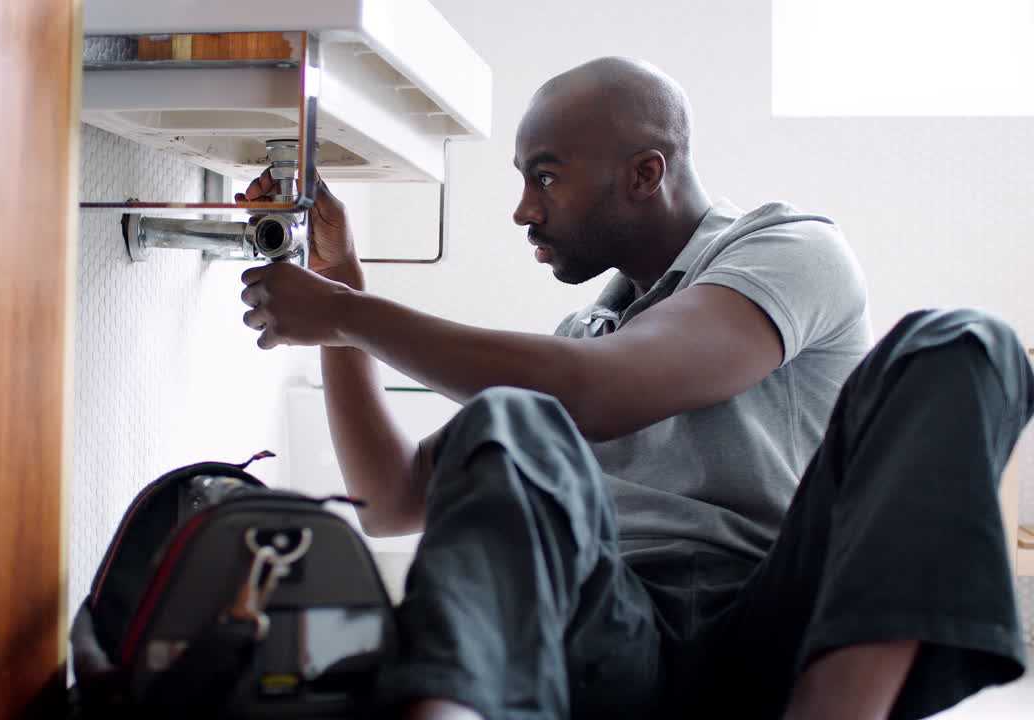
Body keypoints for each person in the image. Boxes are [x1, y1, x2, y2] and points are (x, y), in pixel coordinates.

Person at [237, 57, 1034, 720]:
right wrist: (341, 295)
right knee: (513, 419)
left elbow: (600, 391)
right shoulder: (581, 338)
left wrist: (350, 312)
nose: (524, 209)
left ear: (646, 173)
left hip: (770, 631)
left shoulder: (788, 250)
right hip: (617, 639)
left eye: (545, 177)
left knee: (966, 341)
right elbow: (389, 500)